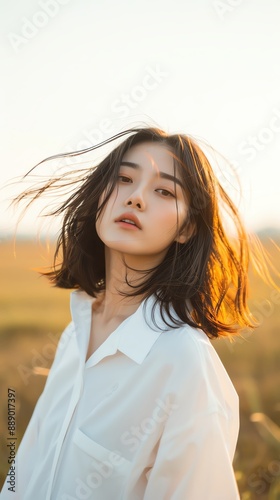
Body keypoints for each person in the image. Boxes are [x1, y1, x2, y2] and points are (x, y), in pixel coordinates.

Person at [1, 126, 269, 499]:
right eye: (124, 179)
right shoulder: (74, 334)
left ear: (187, 227)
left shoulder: (184, 363)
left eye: (164, 191)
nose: (137, 198)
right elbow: (25, 473)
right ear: (100, 198)